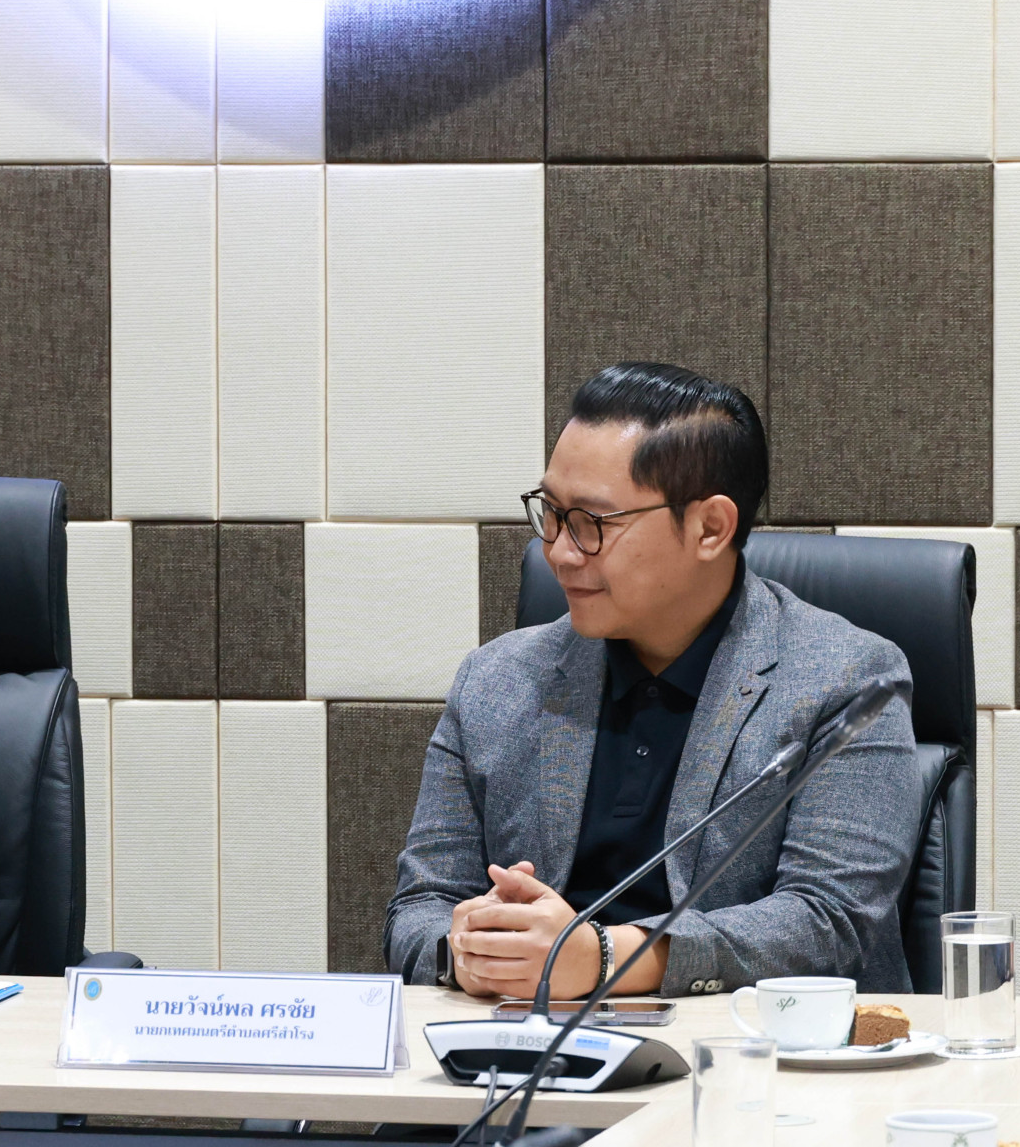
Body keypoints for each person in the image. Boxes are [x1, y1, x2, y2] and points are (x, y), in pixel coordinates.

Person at [386, 362, 919, 999]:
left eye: (593, 523)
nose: (558, 551)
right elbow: (418, 907)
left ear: (710, 528)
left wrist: (603, 959)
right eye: (551, 512)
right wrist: (468, 953)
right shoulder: (496, 680)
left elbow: (829, 922)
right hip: (527, 1041)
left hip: (745, 1048)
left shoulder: (847, 681)